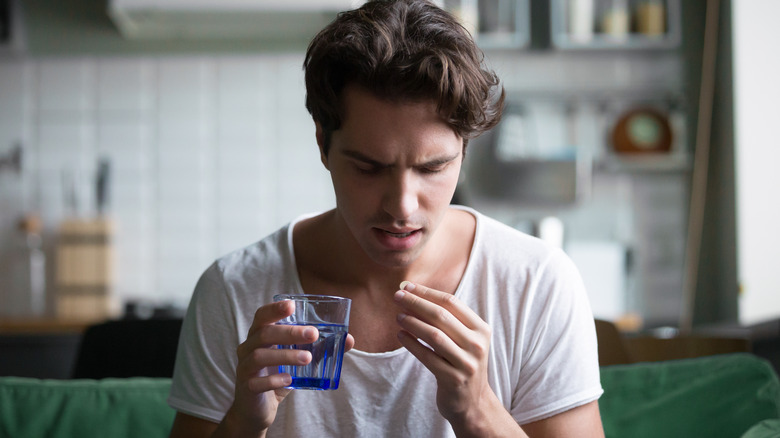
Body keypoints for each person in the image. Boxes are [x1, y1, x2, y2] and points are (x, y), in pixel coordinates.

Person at [167, 0, 604, 437]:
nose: (402, 207)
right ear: (323, 144)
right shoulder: (233, 290)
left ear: (464, 151)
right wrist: (243, 423)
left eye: (432, 168)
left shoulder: (536, 283)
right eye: (369, 167)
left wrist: (477, 411)